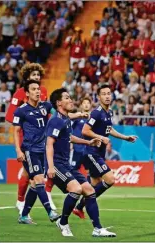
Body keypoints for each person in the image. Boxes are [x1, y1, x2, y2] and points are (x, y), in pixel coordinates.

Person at [45, 88, 116, 237]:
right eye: (67, 98)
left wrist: (88, 142)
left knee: (89, 190)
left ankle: (97, 229)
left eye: (70, 97)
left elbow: (70, 138)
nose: (71, 100)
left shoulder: (66, 119)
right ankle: (63, 222)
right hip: (56, 165)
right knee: (76, 189)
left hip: (66, 164)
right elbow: (49, 144)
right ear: (59, 103)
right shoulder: (56, 120)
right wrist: (51, 167)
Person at [72, 85, 137, 218]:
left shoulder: (109, 112)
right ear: (99, 97)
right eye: (104, 94)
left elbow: (109, 129)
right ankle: (78, 206)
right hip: (91, 152)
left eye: (109, 93)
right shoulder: (96, 112)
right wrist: (101, 138)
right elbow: (85, 130)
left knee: (94, 185)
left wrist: (125, 138)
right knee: (110, 179)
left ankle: (80, 209)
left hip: (99, 153)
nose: (107, 96)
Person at [5, 63, 56, 212]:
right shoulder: (20, 93)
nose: (36, 78)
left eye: (38, 75)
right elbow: (10, 116)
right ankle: (21, 202)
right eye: (33, 75)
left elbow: (48, 112)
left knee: (49, 166)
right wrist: (28, 121)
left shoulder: (44, 91)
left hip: (44, 136)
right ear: (27, 78)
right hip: (27, 137)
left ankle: (46, 195)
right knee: (29, 173)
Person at [13, 80, 60, 224]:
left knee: (34, 185)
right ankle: (50, 212)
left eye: (38, 89)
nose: (37, 91)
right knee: (39, 180)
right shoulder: (21, 110)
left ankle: (24, 215)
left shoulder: (46, 106)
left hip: (44, 151)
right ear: (27, 93)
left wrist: (76, 114)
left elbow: (59, 114)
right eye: (33, 89)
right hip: (29, 150)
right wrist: (18, 150)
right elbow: (15, 131)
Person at [70, 97, 92, 170]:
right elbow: (70, 131)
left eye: (88, 103)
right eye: (84, 103)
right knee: (73, 170)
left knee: (91, 171)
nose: (86, 105)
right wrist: (71, 144)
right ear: (81, 105)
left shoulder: (93, 119)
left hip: (88, 149)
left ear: (90, 105)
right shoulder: (77, 117)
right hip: (77, 149)